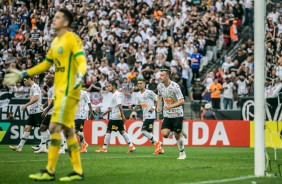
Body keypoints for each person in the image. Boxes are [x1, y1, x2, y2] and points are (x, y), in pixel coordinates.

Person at [4, 9, 87, 181]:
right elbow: (44, 65)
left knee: (56, 128)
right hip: (60, 91)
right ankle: (74, 170)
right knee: (64, 130)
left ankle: (51, 170)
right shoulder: (56, 43)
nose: (53, 19)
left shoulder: (72, 39)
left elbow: (82, 62)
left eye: (57, 17)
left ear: (65, 22)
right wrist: (23, 74)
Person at [95, 81, 136, 153]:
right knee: (122, 131)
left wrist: (123, 115)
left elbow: (120, 105)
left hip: (115, 116)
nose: (108, 88)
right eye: (107, 86)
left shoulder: (116, 95)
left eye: (109, 86)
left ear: (114, 86)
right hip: (118, 115)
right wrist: (106, 112)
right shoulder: (115, 94)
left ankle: (104, 148)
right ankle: (131, 146)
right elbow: (113, 107)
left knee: (109, 130)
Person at [156, 69, 186, 159]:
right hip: (167, 114)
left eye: (162, 75)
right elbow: (159, 96)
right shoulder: (160, 86)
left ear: (167, 76)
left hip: (177, 113)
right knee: (165, 134)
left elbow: (182, 101)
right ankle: (177, 130)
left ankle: (182, 153)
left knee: (177, 135)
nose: (159, 77)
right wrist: (158, 105)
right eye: (160, 75)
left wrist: (170, 106)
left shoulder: (175, 86)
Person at [9, 76, 42, 152]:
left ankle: (45, 146)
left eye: (25, 80)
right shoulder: (32, 87)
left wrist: (26, 105)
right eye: (23, 81)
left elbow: (36, 98)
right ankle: (20, 146)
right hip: (33, 112)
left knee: (43, 129)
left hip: (38, 111)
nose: (24, 82)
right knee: (27, 128)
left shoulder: (35, 87)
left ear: (30, 79)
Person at [130, 78, 164, 154]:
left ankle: (158, 142)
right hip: (145, 116)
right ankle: (159, 149)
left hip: (150, 115)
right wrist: (133, 108)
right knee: (148, 133)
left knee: (143, 131)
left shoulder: (149, 92)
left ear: (144, 84)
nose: (139, 85)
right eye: (138, 83)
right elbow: (140, 105)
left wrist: (154, 107)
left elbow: (158, 99)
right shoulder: (138, 94)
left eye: (141, 83)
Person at [33, 74, 54, 154]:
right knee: (43, 128)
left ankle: (61, 147)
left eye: (48, 79)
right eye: (45, 79)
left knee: (53, 130)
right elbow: (49, 100)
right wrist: (43, 106)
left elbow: (54, 102)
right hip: (51, 111)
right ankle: (43, 147)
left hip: (54, 112)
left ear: (52, 79)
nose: (46, 80)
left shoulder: (54, 88)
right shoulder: (50, 89)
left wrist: (45, 111)